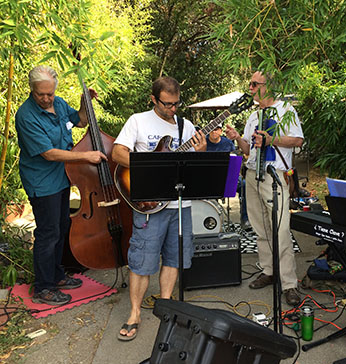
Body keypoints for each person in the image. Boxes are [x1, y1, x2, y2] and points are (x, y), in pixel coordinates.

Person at [112, 76, 206, 341]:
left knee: (174, 257)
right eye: (167, 104)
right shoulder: (138, 121)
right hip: (148, 203)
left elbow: (197, 158)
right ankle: (134, 313)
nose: (172, 110)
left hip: (179, 203)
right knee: (142, 261)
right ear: (154, 99)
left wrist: (202, 148)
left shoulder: (185, 126)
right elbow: (117, 153)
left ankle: (166, 305)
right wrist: (150, 164)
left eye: (176, 104)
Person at [15, 66, 107, 305]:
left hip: (62, 177)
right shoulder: (26, 116)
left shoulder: (59, 103)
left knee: (62, 226)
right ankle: (43, 288)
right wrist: (86, 157)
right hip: (42, 181)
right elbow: (48, 153)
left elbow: (81, 121)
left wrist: (84, 102)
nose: (46, 99)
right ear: (31, 90)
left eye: (49, 94)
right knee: (48, 233)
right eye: (40, 94)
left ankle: (57, 275)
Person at [226, 71, 304, 305]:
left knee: (280, 230)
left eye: (254, 84)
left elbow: (298, 140)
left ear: (267, 87)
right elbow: (248, 150)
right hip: (251, 175)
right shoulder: (253, 115)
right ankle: (269, 271)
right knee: (260, 228)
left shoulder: (286, 111)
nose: (249, 88)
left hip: (274, 175)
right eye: (249, 83)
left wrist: (271, 140)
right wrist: (237, 137)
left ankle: (289, 283)